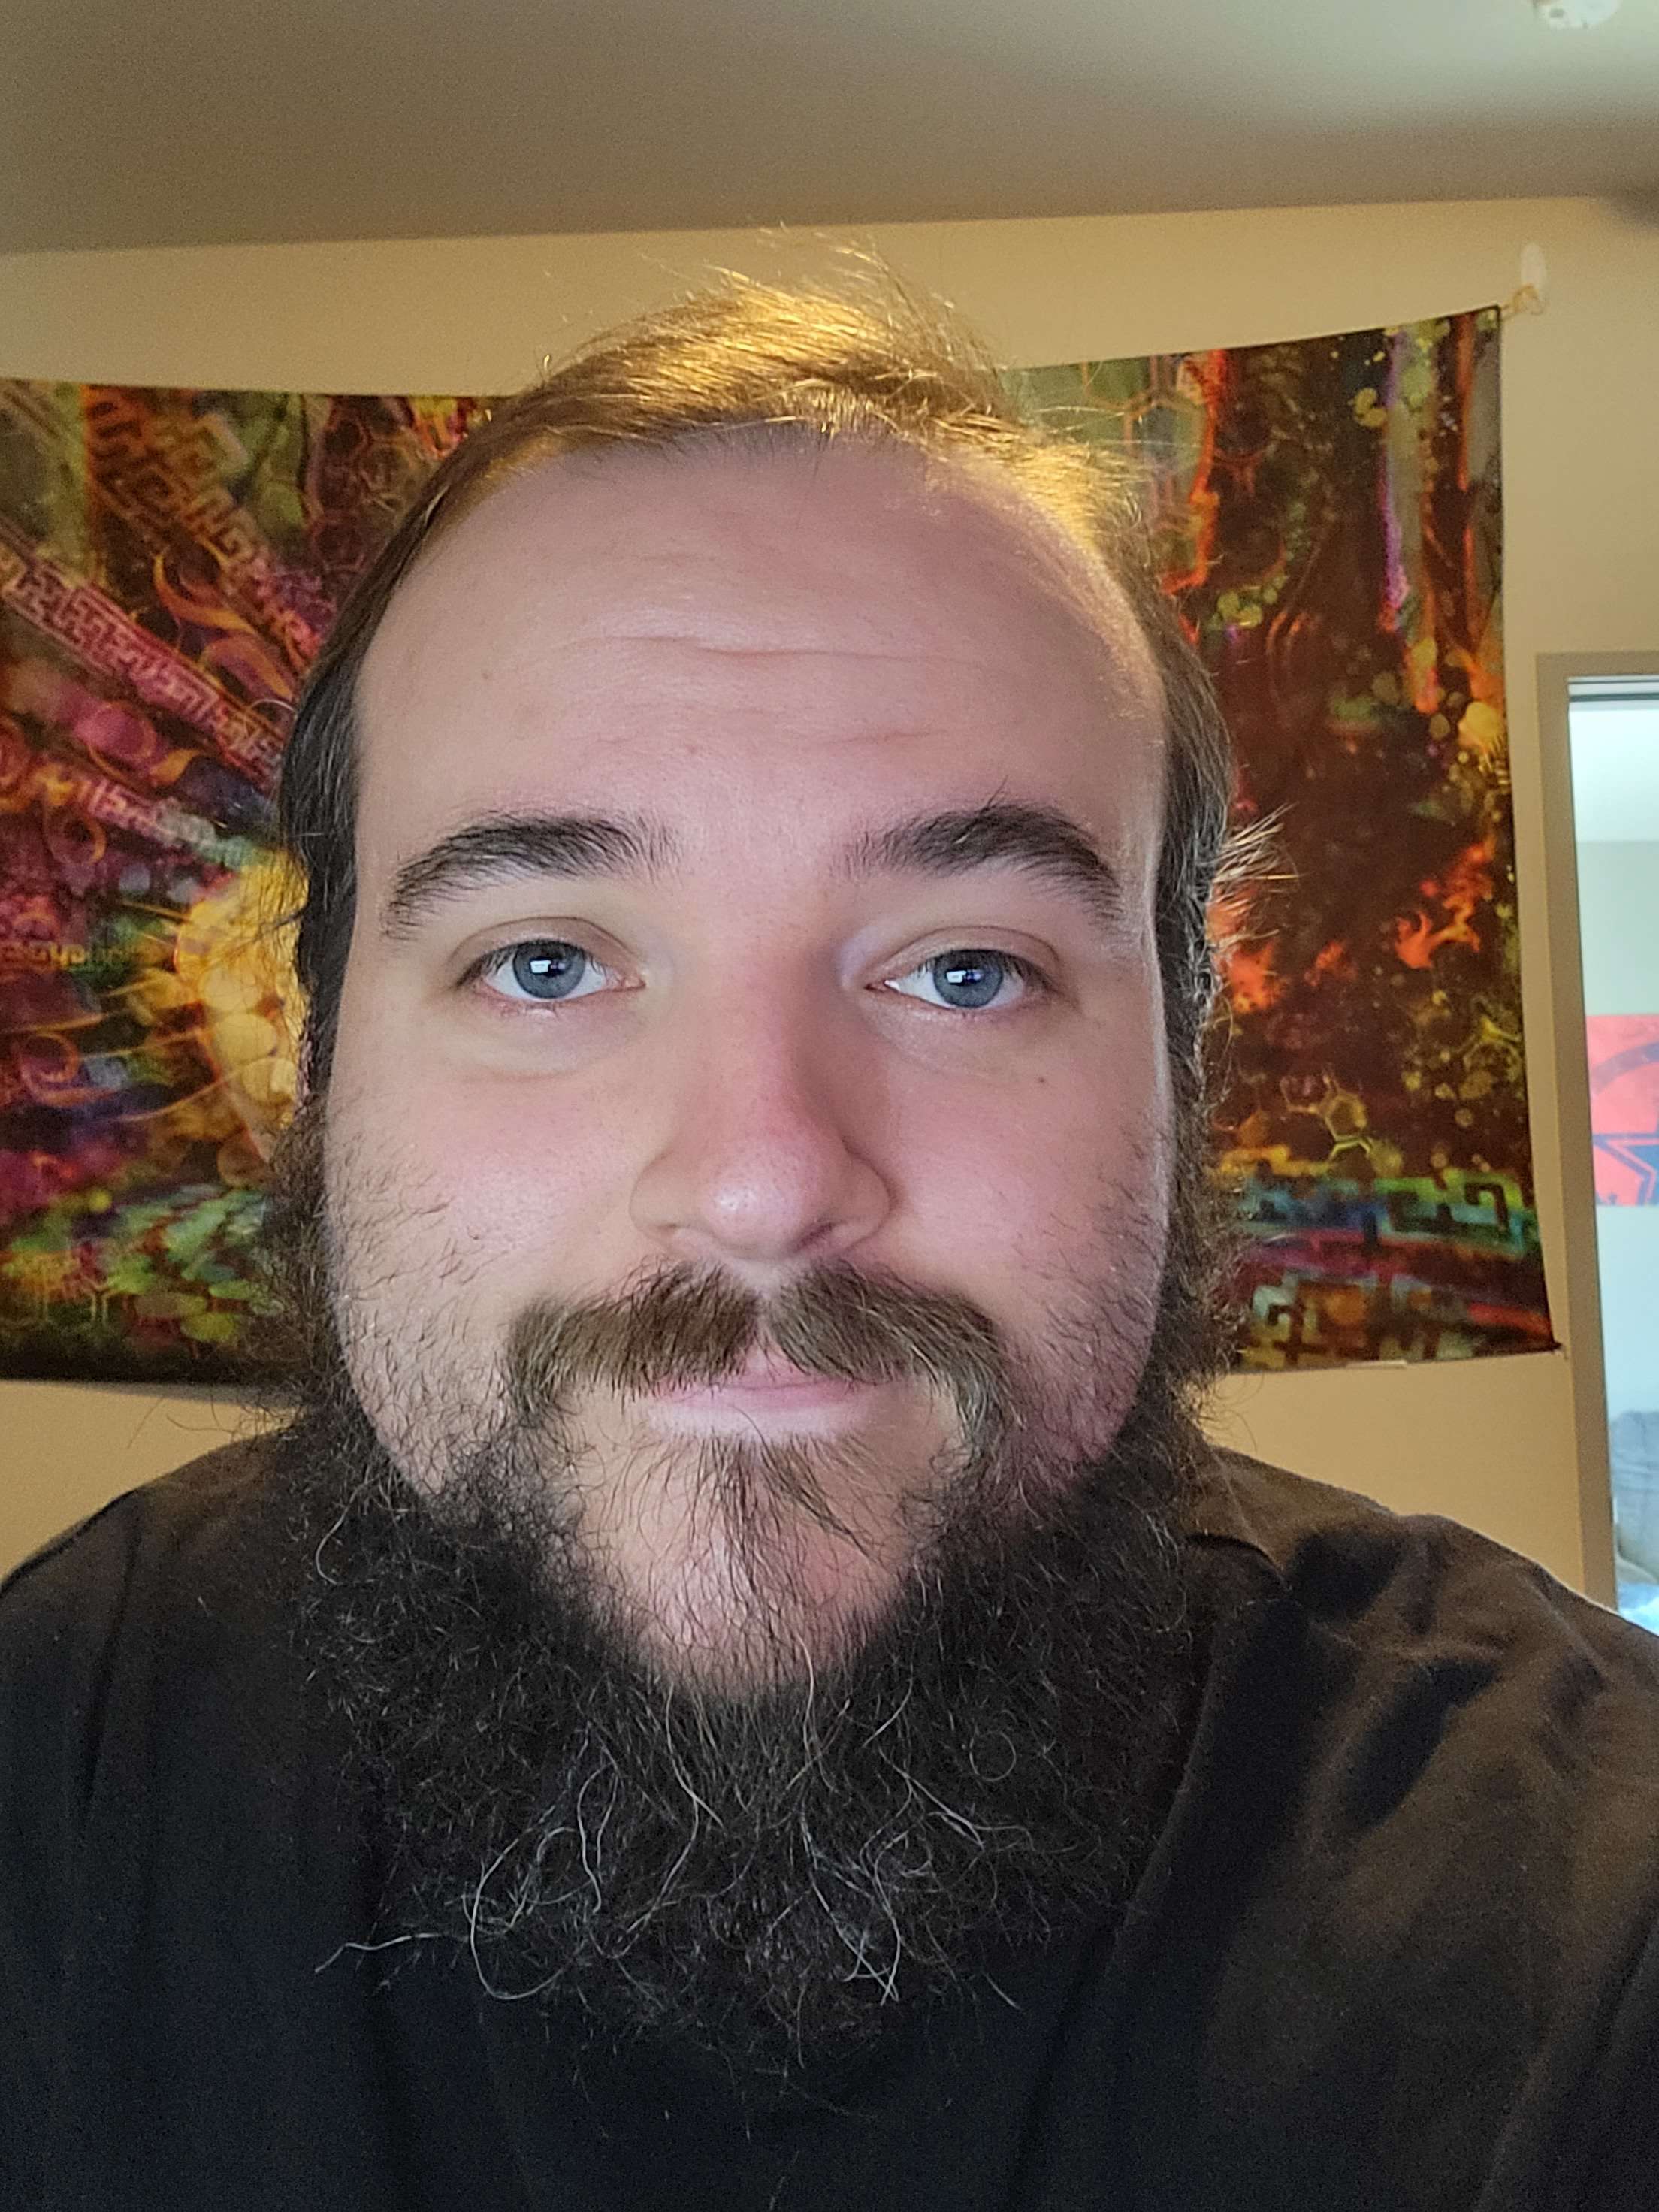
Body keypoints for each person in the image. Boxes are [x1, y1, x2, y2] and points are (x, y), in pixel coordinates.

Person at [2, 273, 1656, 2212]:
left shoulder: (1582, 1917)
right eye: (543, 960)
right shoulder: (58, 1778)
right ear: (317, 1055)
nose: (765, 1179)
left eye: (965, 969)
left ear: (1187, 1070)